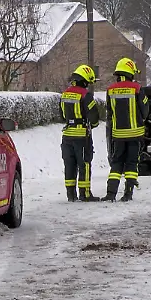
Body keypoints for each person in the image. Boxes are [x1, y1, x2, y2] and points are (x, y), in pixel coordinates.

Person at [103, 57, 148, 202]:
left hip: (118, 135)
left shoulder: (110, 90)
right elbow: (145, 110)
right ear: (130, 73)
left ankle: (111, 194)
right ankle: (128, 194)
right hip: (135, 135)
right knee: (131, 163)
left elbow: (109, 113)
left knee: (116, 163)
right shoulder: (137, 89)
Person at [59, 65, 101, 202]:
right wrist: (92, 125)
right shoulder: (85, 95)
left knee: (69, 165)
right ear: (84, 81)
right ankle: (85, 194)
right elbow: (94, 116)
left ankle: (71, 195)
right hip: (82, 135)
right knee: (84, 164)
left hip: (67, 135)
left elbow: (61, 115)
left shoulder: (65, 93)